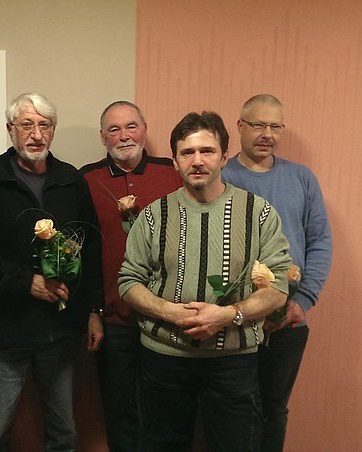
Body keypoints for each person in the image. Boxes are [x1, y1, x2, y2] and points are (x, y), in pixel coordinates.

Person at [118, 111, 292, 451]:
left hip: (234, 362)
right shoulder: (153, 215)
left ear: (224, 156)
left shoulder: (258, 213)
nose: (197, 160)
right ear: (175, 161)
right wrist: (171, 312)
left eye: (207, 151)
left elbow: (278, 287)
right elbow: (129, 281)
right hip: (164, 359)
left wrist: (227, 315)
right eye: (187, 152)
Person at [0, 92, 104, 451]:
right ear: (11, 129)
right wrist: (27, 282)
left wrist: (94, 311)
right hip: (6, 332)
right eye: (27, 125)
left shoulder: (71, 179)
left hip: (60, 331)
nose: (36, 135)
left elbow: (91, 250)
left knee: (64, 431)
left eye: (44, 125)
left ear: (52, 130)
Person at [223, 94, 333, 452]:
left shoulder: (302, 178)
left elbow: (320, 240)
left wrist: (304, 300)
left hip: (289, 320)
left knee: (273, 409)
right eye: (258, 125)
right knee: (233, 409)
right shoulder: (221, 177)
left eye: (275, 126)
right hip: (235, 320)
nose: (267, 134)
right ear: (240, 126)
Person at [80, 101, 181, 451]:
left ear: (145, 129)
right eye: (114, 129)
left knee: (166, 408)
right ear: (103, 137)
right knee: (119, 407)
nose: (124, 136)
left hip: (167, 316)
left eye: (131, 126)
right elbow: (83, 252)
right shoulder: (86, 180)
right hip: (114, 319)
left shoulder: (173, 173)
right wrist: (92, 311)